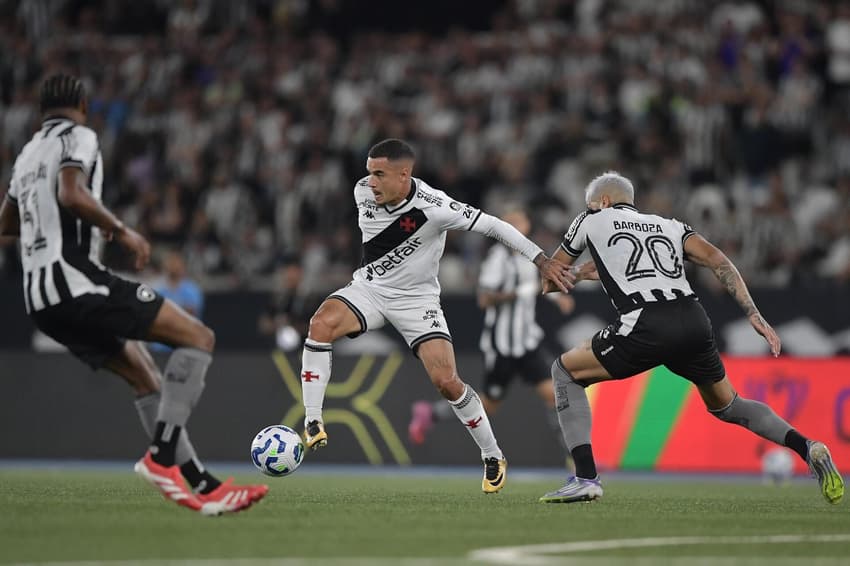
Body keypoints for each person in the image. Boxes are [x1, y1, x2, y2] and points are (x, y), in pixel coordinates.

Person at [0, 74, 267, 516]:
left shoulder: (27, 154)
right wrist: (120, 230)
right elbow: (71, 192)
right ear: (83, 105)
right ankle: (162, 459)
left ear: (40, 109)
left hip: (39, 298)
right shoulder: (79, 136)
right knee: (198, 338)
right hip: (77, 281)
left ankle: (202, 484)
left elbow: (6, 223)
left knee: (146, 377)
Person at [538, 172, 844, 505]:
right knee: (729, 405)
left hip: (645, 320)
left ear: (604, 201)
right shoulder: (670, 225)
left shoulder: (590, 218)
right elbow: (719, 260)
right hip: (693, 318)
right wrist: (753, 313)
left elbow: (552, 280)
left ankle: (585, 478)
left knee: (564, 373)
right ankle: (808, 447)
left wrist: (583, 272)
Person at [297, 138, 574, 493]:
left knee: (446, 381)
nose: (371, 183)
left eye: (380, 174)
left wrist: (542, 260)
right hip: (370, 289)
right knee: (320, 323)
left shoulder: (437, 207)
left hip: (418, 301)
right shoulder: (362, 192)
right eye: (369, 174)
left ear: (404, 174)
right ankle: (313, 420)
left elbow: (494, 226)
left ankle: (492, 455)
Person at [408, 207, 575, 460]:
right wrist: (521, 292)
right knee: (487, 406)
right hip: (502, 346)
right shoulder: (497, 259)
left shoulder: (528, 257)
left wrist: (555, 299)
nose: (518, 227)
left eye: (521, 221)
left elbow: (536, 286)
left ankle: (573, 459)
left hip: (527, 341)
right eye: (511, 223)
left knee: (554, 396)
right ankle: (431, 414)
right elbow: (485, 299)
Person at [149, 249, 203, 352]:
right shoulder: (159, 289)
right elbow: (153, 316)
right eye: (170, 262)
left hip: (184, 345)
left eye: (176, 262)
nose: (173, 266)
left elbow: (190, 315)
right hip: (160, 346)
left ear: (183, 266)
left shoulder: (192, 290)